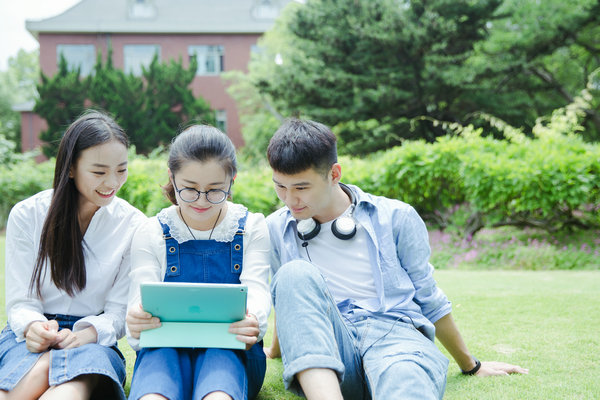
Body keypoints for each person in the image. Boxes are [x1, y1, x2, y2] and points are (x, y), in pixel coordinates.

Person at [264, 119, 529, 400]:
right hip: (330, 352)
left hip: (395, 336)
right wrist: (277, 349)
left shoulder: (395, 217)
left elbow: (429, 296)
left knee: (403, 377)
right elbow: (291, 299)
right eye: (280, 187)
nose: (289, 200)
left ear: (334, 174)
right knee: (293, 274)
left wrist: (471, 365)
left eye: (301, 188)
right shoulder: (275, 228)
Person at [0, 111, 146, 400]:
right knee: (35, 373)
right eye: (99, 172)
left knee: (70, 388)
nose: (112, 182)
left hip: (94, 341)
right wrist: (33, 327)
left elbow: (118, 313)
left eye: (121, 169)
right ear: (70, 168)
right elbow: (20, 302)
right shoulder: (28, 215)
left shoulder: (133, 225)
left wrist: (85, 335)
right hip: (29, 335)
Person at [126, 125, 271, 400]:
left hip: (231, 347)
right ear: (172, 177)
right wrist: (136, 318)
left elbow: (258, 289)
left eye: (215, 190)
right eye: (190, 189)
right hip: (163, 349)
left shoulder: (252, 226)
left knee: (219, 389)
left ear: (233, 180)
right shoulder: (151, 231)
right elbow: (139, 296)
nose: (202, 201)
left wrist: (253, 319)